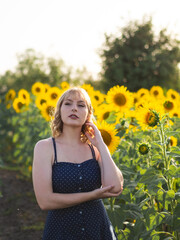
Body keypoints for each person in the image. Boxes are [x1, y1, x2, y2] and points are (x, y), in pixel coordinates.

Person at [32, 87, 124, 240]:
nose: (74, 108)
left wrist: (101, 143)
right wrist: (92, 195)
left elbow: (115, 187)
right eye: (68, 104)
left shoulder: (95, 149)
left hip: (97, 228)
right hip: (61, 230)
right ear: (59, 110)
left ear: (88, 114)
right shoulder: (45, 147)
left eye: (81, 105)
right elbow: (45, 201)